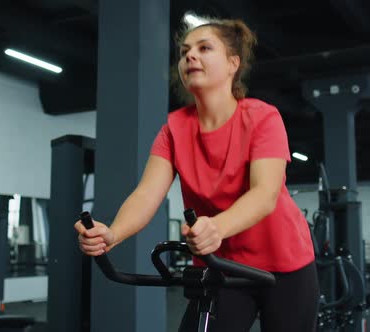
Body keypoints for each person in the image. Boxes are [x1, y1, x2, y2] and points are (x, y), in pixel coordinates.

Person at [74, 15, 319, 332]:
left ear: (233, 63)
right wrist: (113, 234)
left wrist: (216, 227)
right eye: (185, 51)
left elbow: (265, 194)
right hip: (223, 266)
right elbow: (147, 194)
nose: (190, 56)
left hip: (285, 265)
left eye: (204, 48)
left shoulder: (262, 117)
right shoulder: (173, 129)